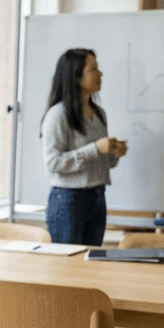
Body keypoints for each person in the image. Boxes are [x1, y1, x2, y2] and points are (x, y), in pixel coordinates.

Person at [42, 48, 127, 246]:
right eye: (94, 69)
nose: (101, 74)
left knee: (90, 266)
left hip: (97, 197)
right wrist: (95, 148)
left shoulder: (99, 114)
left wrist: (114, 154)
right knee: (67, 269)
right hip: (68, 200)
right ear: (76, 76)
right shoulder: (57, 115)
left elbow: (101, 162)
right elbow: (53, 163)